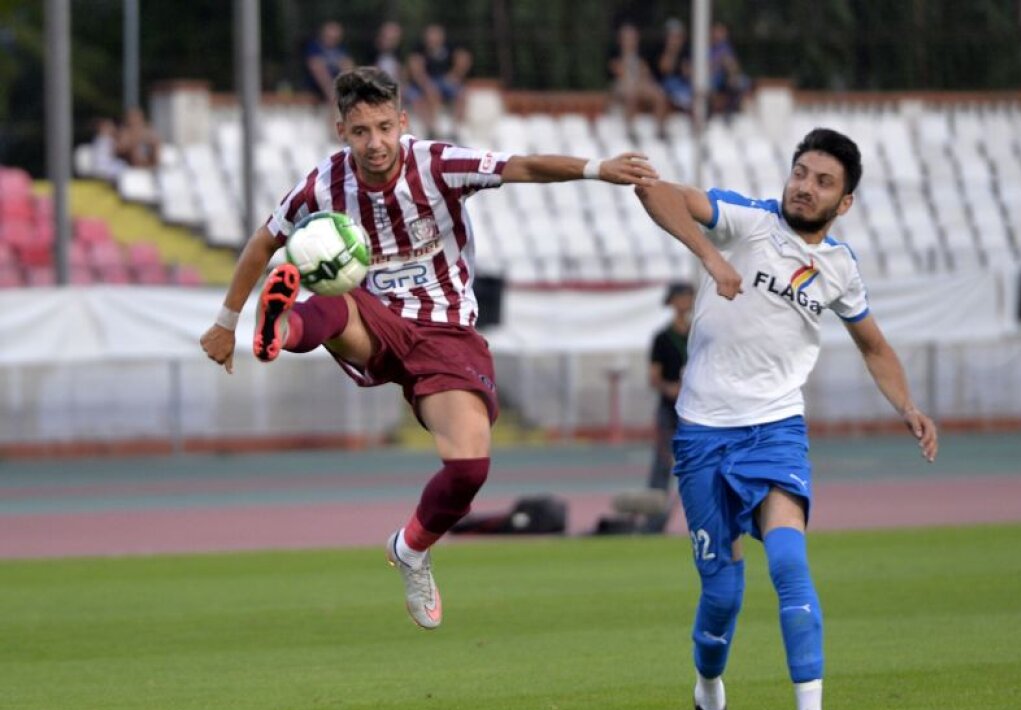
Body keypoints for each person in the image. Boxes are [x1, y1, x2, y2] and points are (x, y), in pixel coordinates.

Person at [199, 66, 658, 631]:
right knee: (335, 301)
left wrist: (597, 169)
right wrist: (227, 320)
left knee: (468, 469)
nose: (375, 143)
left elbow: (523, 166)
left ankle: (411, 548)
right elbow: (263, 240)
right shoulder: (323, 183)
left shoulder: (437, 164)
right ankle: (281, 331)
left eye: (384, 128)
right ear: (340, 129)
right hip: (376, 322)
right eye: (361, 130)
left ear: (403, 122)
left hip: (446, 334)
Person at [633, 128, 938, 710]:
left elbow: (874, 347)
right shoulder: (744, 221)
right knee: (723, 593)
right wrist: (709, 257)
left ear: (844, 201)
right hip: (701, 435)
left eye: (823, 180)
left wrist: (907, 406)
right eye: (801, 171)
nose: (805, 185)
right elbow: (654, 191)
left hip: (775, 430)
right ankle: (709, 694)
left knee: (790, 563)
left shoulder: (841, 268)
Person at [645, 280, 694, 532]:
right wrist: (670, 388)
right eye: (681, 297)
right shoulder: (663, 338)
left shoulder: (699, 333)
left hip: (697, 408)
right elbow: (654, 376)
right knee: (662, 464)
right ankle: (653, 522)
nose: (685, 302)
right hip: (670, 408)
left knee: (702, 461)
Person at [406, 24, 473, 136]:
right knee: (425, 94)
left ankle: (456, 129)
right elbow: (416, 71)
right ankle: (431, 129)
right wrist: (427, 85)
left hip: (444, 80)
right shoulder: (419, 48)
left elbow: (464, 59)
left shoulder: (450, 46)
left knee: (461, 93)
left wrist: (455, 76)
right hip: (423, 82)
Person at [608, 22, 668, 139]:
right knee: (631, 94)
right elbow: (620, 74)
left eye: (633, 38)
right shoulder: (615, 55)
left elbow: (646, 74)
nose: (631, 41)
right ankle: (630, 130)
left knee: (659, 95)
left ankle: (660, 130)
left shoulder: (641, 56)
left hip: (639, 84)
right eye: (628, 38)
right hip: (623, 86)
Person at [304, 20, 354, 105]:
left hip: (338, 85)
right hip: (318, 88)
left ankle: (350, 93)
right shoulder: (314, 47)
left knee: (347, 64)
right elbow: (315, 67)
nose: (332, 39)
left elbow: (348, 65)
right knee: (319, 67)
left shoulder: (341, 49)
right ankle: (335, 97)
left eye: (335, 38)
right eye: (329, 36)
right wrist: (332, 94)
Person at [708, 22, 751, 119]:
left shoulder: (725, 47)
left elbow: (733, 66)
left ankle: (740, 112)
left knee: (743, 82)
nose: (719, 34)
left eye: (722, 32)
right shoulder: (705, 47)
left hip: (725, 78)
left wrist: (732, 73)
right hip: (712, 79)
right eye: (717, 31)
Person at [653, 18, 693, 113]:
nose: (674, 40)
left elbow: (689, 74)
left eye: (677, 37)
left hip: (685, 91)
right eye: (672, 36)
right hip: (667, 92)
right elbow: (665, 68)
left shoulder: (687, 53)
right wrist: (672, 51)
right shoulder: (661, 52)